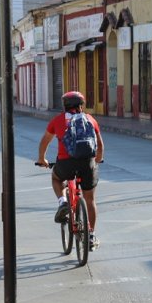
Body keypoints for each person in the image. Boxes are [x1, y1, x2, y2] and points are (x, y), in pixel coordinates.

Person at [37, 91, 105, 250]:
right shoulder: (90, 119)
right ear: (81, 105)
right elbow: (100, 145)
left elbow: (44, 142)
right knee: (90, 200)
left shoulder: (58, 121)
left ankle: (63, 202)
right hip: (87, 163)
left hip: (66, 163)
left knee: (56, 178)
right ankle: (91, 234)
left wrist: (42, 159)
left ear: (65, 105)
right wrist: (97, 160)